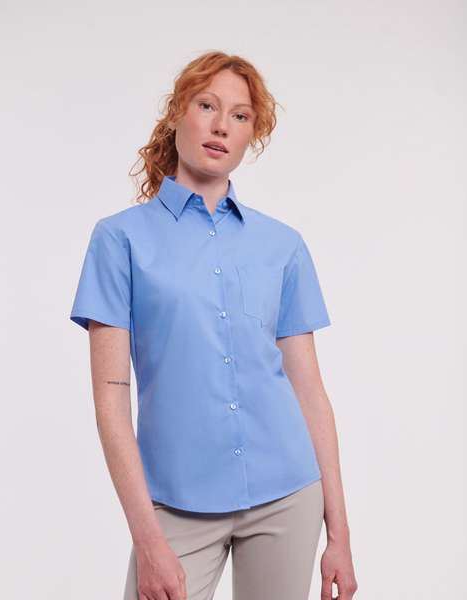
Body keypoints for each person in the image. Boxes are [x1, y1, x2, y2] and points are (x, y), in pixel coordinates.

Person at [69, 51, 357, 600]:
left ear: (252, 134)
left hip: (286, 494)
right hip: (175, 504)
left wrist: (339, 535)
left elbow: (310, 393)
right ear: (177, 113)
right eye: (207, 106)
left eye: (240, 116)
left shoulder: (282, 245)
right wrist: (148, 540)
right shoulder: (119, 240)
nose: (222, 125)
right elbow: (111, 401)